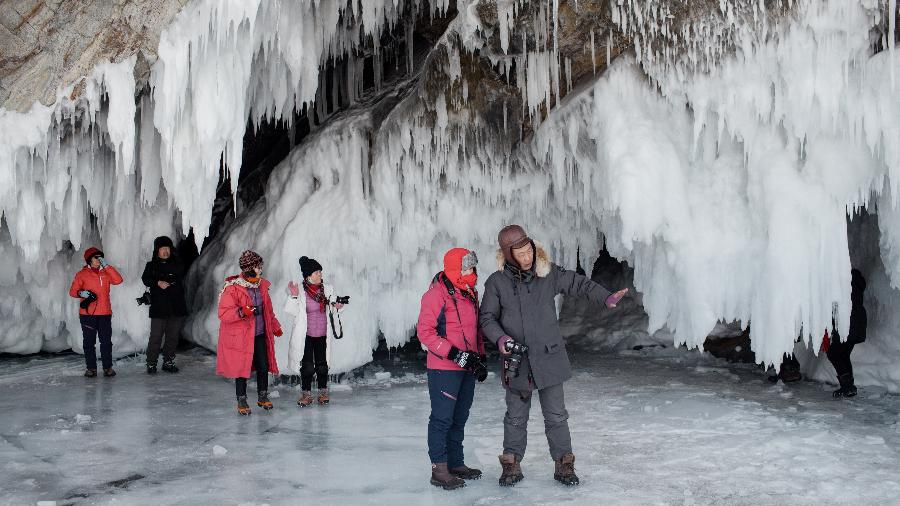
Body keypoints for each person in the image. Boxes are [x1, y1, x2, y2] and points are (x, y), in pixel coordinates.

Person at [480, 225, 628, 487]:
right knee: (515, 417)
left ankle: (564, 464)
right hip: (517, 362)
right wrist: (501, 338)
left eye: (529, 251)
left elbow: (578, 283)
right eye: (521, 254)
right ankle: (511, 465)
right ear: (508, 255)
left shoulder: (548, 274)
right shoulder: (497, 283)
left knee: (557, 415)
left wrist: (605, 298)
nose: (527, 257)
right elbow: (487, 318)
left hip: (549, 357)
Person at [417, 248, 488, 490]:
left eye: (472, 268)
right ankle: (439, 469)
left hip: (467, 366)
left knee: (460, 418)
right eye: (466, 268)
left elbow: (475, 329)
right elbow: (425, 332)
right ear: (454, 269)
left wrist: (480, 358)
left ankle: (456, 463)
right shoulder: (436, 295)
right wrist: (456, 355)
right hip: (444, 368)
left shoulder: (470, 293)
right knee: (442, 419)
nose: (471, 273)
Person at [216, 250, 283, 415]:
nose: (261, 269)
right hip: (242, 337)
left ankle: (262, 396)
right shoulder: (232, 288)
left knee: (263, 365)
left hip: (259, 334)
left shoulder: (262, 286)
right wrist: (242, 311)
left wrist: (275, 326)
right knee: (241, 368)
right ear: (249, 268)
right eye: (258, 266)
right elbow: (223, 313)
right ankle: (242, 399)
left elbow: (269, 312)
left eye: (260, 266)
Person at [283, 256, 346, 407]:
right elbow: (290, 311)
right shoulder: (299, 289)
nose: (320, 274)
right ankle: (306, 394)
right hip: (306, 335)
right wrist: (293, 295)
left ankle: (323, 392)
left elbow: (334, 303)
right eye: (317, 272)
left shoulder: (328, 289)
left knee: (322, 365)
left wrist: (339, 305)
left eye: (320, 271)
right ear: (308, 275)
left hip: (323, 334)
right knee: (307, 366)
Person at [69, 247, 124, 378]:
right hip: (87, 315)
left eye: (101, 257)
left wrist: (107, 266)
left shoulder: (106, 273)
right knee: (89, 342)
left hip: (104, 313)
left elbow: (118, 280)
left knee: (106, 342)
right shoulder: (82, 274)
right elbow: (72, 291)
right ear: (89, 259)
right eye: (96, 257)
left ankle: (108, 367)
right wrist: (82, 293)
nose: (99, 260)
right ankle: (91, 368)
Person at [141, 236, 188, 374]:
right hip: (159, 308)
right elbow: (145, 279)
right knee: (155, 336)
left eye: (168, 248)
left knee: (172, 337)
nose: (166, 251)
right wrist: (158, 282)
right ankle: (151, 363)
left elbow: (178, 272)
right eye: (163, 248)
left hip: (176, 307)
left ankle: (168, 361)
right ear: (157, 250)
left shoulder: (178, 263)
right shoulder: (151, 265)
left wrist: (162, 277)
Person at [827, 268, 867, 398]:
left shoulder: (840, 282)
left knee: (834, 353)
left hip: (846, 321)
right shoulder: (855, 280)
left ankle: (848, 386)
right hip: (858, 321)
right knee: (843, 354)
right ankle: (848, 387)